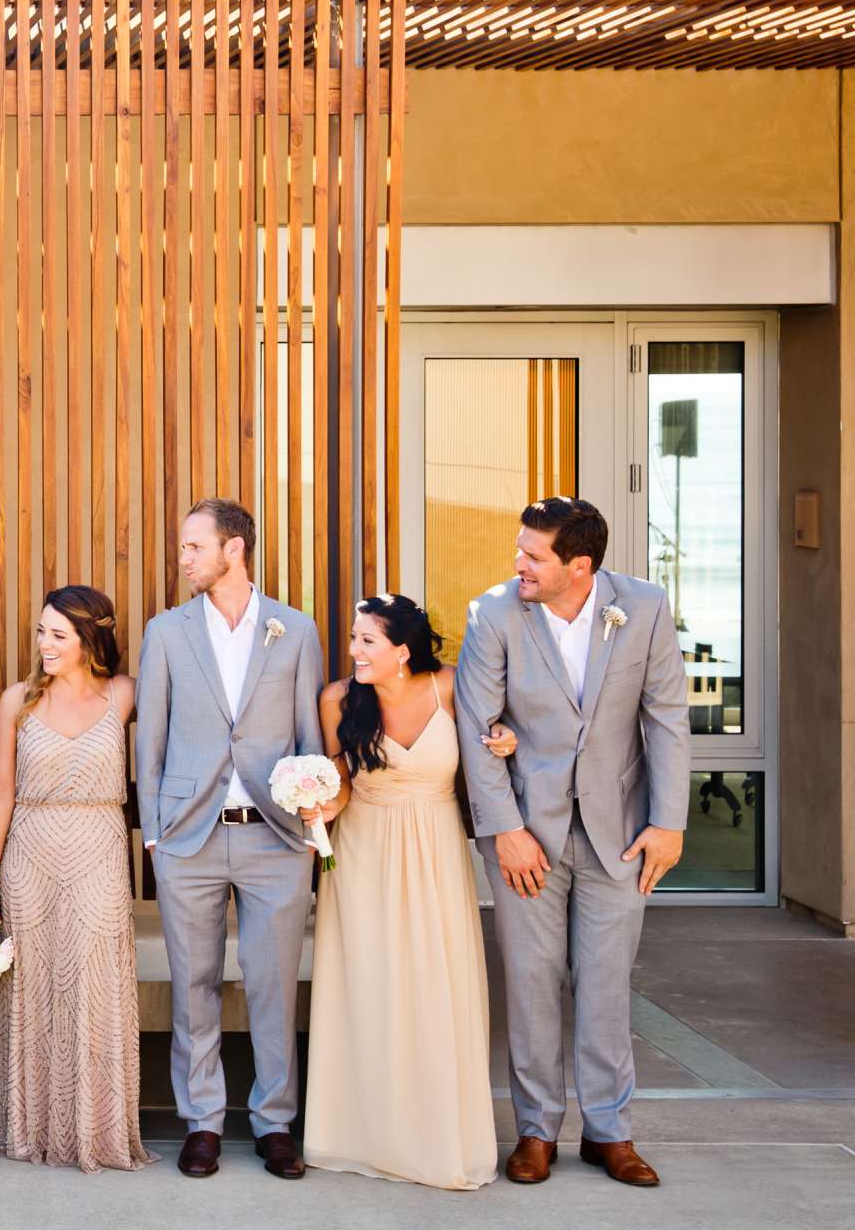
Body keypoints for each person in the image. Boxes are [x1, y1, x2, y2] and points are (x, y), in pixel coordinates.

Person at [455, 496, 691, 1189]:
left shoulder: (642, 607)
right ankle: (535, 1131)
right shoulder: (494, 613)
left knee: (607, 984)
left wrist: (669, 821)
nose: (517, 564)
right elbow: (478, 725)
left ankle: (609, 1132)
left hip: (621, 833)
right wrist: (504, 830)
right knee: (530, 984)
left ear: (579, 566)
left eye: (534, 555)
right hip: (528, 834)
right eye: (520, 549)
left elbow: (667, 718)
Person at [136, 497, 325, 1180]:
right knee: (194, 985)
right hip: (187, 838)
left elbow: (308, 734)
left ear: (234, 549)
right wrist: (154, 833)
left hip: (275, 838)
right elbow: (149, 738)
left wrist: (309, 826)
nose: (183, 559)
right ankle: (204, 1122)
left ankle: (276, 1123)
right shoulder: (165, 631)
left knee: (275, 985)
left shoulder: (294, 630)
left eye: (194, 547)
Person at [302, 594, 499, 1191]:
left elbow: (493, 747)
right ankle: (358, 1134)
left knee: (435, 983)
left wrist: (505, 739)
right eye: (354, 638)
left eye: (367, 640)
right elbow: (338, 785)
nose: (354, 650)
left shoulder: (451, 686)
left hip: (436, 850)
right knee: (368, 985)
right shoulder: (338, 699)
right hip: (362, 853)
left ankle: (435, 1137)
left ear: (402, 649)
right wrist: (315, 805)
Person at [0, 586, 152, 1173]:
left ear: (90, 640)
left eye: (58, 635)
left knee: (96, 984)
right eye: (41, 632)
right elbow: (2, 791)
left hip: (100, 850)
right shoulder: (17, 701)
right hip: (30, 853)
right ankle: (36, 1129)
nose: (45, 645)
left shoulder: (125, 694)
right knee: (37, 990)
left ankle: (97, 1133)